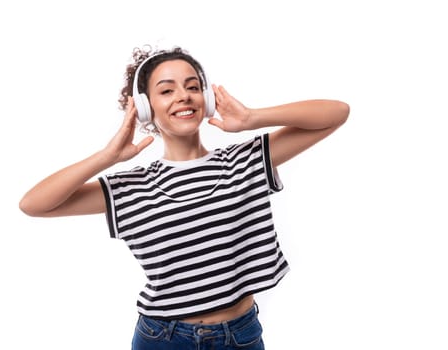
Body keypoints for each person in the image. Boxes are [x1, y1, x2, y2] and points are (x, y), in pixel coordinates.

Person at [19, 45, 349, 349]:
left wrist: (252, 118)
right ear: (145, 108)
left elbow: (336, 113)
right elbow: (34, 204)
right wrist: (107, 157)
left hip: (242, 334)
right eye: (167, 90)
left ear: (205, 97)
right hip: (163, 338)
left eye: (193, 87)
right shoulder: (131, 187)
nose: (183, 96)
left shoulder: (246, 160)